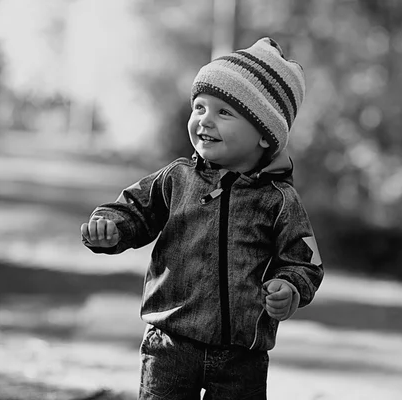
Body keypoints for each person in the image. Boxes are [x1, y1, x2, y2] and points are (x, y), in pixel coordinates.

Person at [81, 37, 324, 400]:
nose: (204, 120)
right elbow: (135, 211)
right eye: (199, 107)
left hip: (243, 356)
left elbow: (305, 261)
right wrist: (110, 228)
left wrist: (290, 288)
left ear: (265, 135)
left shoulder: (279, 200)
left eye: (224, 112)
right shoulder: (177, 178)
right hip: (170, 343)